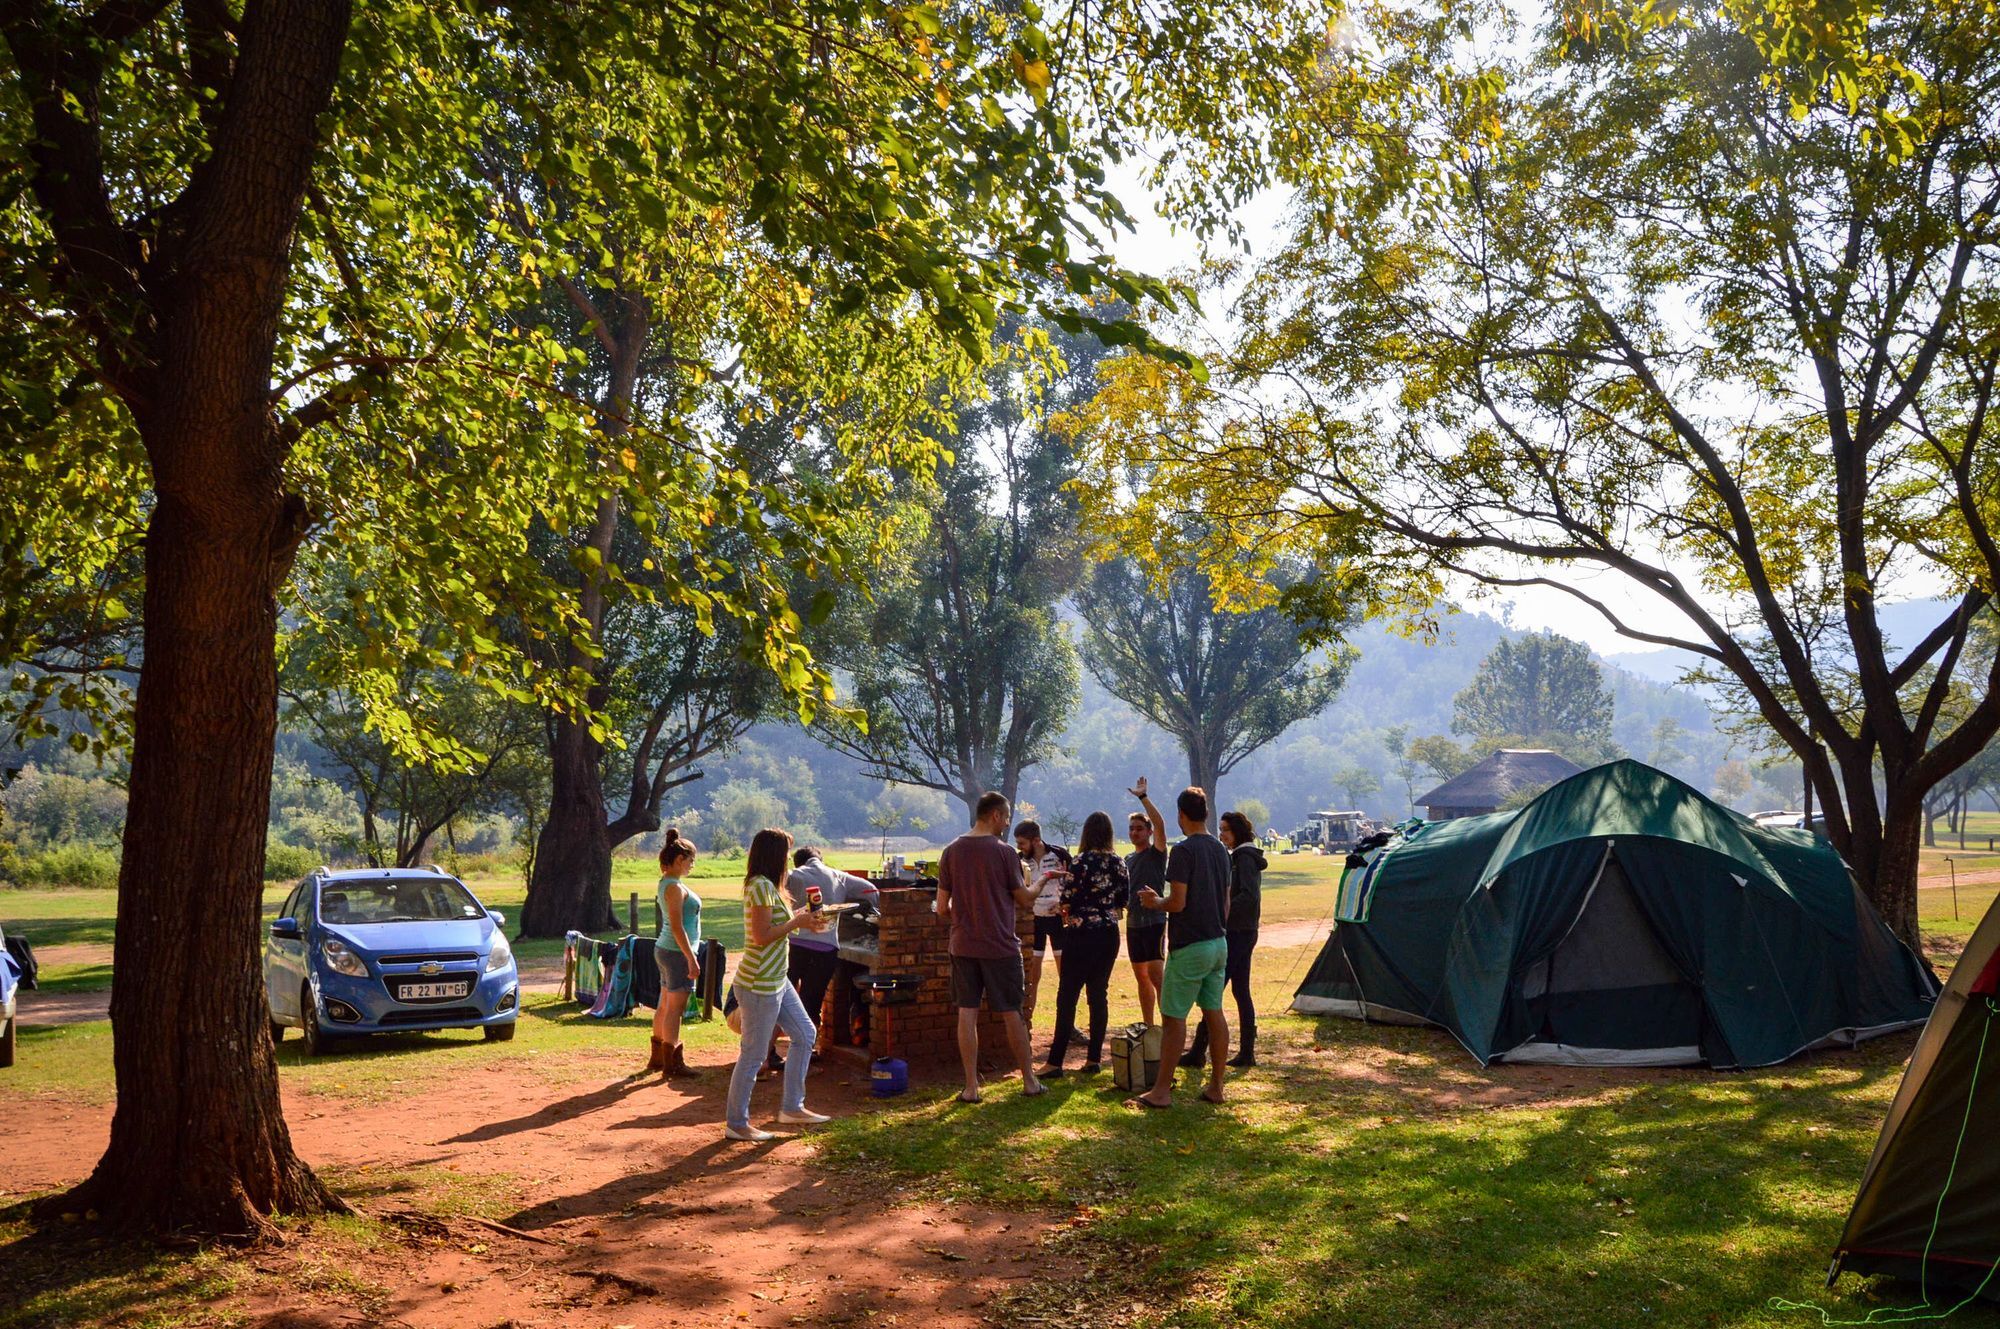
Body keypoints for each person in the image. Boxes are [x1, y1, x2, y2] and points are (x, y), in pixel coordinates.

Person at [724, 828, 833, 1142]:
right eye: (785, 851)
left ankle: (791, 1107)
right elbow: (761, 936)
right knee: (754, 1054)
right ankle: (737, 1123)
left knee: (805, 1033)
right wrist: (797, 922)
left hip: (776, 978)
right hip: (759, 982)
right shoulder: (759, 886)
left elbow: (776, 924)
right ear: (773, 854)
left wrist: (803, 915)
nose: (788, 858)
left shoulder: (772, 887)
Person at [939, 792, 1045, 1103]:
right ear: (996, 816)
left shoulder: (950, 851)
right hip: (1000, 946)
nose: (1008, 824)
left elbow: (941, 908)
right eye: (1007, 817)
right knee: (1013, 1014)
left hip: (962, 946)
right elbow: (1024, 899)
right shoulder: (1004, 853)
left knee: (967, 1014)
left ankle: (971, 1087)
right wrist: (1042, 881)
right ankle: (1029, 1081)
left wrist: (964, 916)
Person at [1130, 786, 1231, 1108]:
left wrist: (1154, 901)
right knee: (1214, 1013)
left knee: (1173, 1018)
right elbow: (1225, 902)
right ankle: (1216, 1086)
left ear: (1181, 816)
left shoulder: (1184, 851)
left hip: (1190, 946)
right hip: (1218, 942)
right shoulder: (1219, 849)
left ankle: (1160, 1092)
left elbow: (1177, 902)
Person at [1039, 811, 1127, 1077]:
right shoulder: (1118, 862)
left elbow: (1068, 898)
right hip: (1109, 934)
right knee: (1098, 995)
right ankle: (1093, 1059)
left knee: (1067, 996)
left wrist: (1065, 910)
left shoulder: (1080, 862)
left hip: (1080, 934)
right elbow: (1123, 900)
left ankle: (1055, 1062)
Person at [1181, 809, 1266, 1069]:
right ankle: (1246, 1052)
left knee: (1214, 989)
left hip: (1240, 932)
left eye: (1226, 829)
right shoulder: (1240, 856)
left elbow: (1249, 896)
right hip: (1242, 931)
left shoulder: (1245, 858)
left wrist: (1222, 910)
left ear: (1238, 831)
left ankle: (1198, 1051)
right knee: (1240, 990)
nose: (1221, 834)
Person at [785, 845, 878, 1053]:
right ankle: (806, 1051)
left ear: (797, 862)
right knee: (812, 1000)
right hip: (825, 948)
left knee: (782, 998)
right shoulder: (838, 876)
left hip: (794, 944)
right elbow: (871, 890)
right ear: (820, 858)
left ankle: (769, 1052)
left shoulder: (794, 875)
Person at [649, 829, 701, 1078]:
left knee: (664, 1005)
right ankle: (672, 1063)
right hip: (676, 953)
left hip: (666, 950)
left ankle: (658, 1057)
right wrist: (691, 957)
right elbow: (677, 926)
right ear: (680, 859)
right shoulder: (673, 888)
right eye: (691, 861)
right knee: (674, 1010)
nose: (692, 866)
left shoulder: (669, 883)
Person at [1123, 778, 1169, 1025]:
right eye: (1131, 828)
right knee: (1141, 976)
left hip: (1154, 920)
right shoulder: (1128, 859)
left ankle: (1167, 1028)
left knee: (1156, 975)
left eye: (1139, 828)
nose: (1134, 832)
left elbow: (1161, 824)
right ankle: (1149, 1028)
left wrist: (1143, 798)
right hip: (1133, 922)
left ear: (1149, 832)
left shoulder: (1156, 854)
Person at [1015, 819, 1069, 1022]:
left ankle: (1067, 1024)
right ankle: (1027, 1021)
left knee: (1064, 974)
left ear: (1036, 840)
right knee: (1032, 974)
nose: (1019, 847)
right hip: (1034, 921)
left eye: (1022, 843)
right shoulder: (1020, 861)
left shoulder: (1059, 854)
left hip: (1057, 919)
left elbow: (1073, 881)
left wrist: (1065, 904)